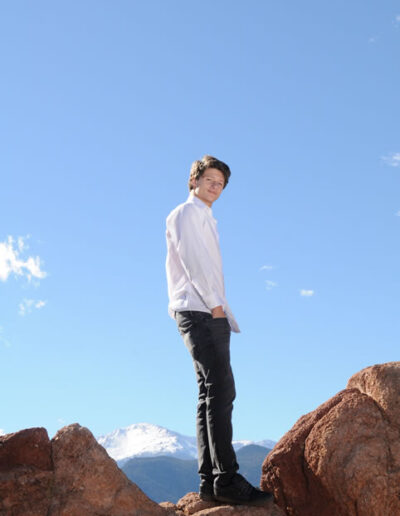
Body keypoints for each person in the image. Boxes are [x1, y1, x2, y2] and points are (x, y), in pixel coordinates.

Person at [165, 155, 273, 506]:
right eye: (210, 179)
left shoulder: (206, 218)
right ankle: (225, 478)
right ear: (193, 180)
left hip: (204, 310)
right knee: (222, 391)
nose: (215, 186)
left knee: (209, 394)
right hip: (201, 311)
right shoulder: (186, 214)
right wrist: (215, 306)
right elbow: (194, 261)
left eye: (221, 183)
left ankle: (211, 482)